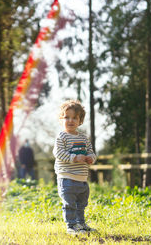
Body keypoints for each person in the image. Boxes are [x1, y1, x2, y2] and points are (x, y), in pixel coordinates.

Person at [52, 100, 97, 235]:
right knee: (69, 204)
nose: (70, 120)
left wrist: (91, 158)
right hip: (67, 177)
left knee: (81, 204)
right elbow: (58, 153)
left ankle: (81, 224)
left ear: (80, 120)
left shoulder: (83, 138)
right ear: (61, 119)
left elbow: (91, 151)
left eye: (74, 118)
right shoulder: (62, 136)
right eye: (67, 117)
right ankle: (71, 226)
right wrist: (74, 157)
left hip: (82, 178)